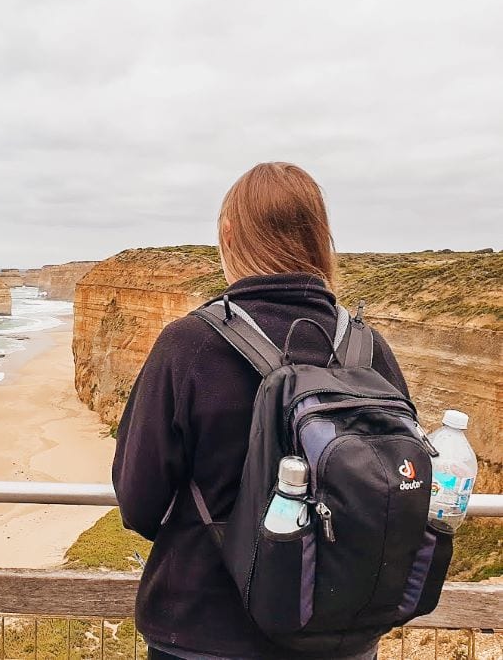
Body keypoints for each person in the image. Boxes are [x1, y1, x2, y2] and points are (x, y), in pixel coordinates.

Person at [112, 162, 409, 660]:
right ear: (320, 237)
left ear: (229, 233)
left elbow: (138, 501)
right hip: (338, 633)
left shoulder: (191, 345)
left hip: (203, 631)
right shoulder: (367, 348)